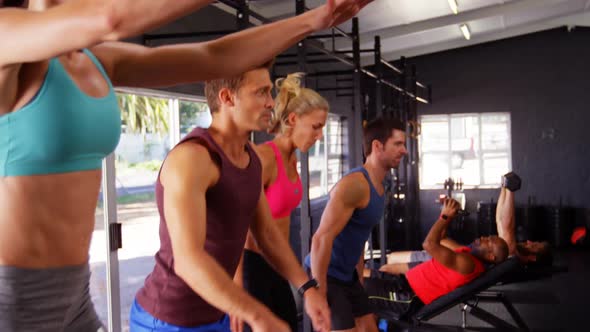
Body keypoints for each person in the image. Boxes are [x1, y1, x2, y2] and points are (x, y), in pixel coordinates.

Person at [0, 0, 371, 330]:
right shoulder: (7, 41)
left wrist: (314, 19)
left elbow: (214, 58)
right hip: (11, 300)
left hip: (75, 292)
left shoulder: (94, 59)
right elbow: (109, 15)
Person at [131, 65, 333, 332]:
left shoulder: (249, 156)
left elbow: (267, 234)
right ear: (227, 98)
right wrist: (258, 315)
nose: (271, 102)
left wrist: (307, 288)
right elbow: (188, 260)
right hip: (169, 318)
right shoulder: (193, 158)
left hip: (215, 315)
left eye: (269, 92)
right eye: (261, 93)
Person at [230, 73, 329, 332]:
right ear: (294, 120)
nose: (319, 136)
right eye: (316, 126)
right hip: (253, 269)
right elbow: (236, 224)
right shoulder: (264, 159)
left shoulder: (292, 161)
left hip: (278, 265)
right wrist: (236, 286)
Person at [306, 117, 408, 332]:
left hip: (348, 277)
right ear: (377, 146)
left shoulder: (380, 186)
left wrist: (359, 278)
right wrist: (319, 292)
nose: (404, 150)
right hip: (326, 275)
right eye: (398, 144)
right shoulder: (355, 185)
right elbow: (321, 238)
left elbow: (358, 236)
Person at [364, 198, 509, 321]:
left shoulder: (468, 264)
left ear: (491, 256)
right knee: (360, 275)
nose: (484, 238)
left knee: (354, 291)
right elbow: (442, 239)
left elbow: (429, 244)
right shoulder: (467, 254)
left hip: (408, 296)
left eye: (489, 241)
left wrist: (444, 217)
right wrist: (447, 215)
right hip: (403, 282)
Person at [380, 177, 551, 275]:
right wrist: (504, 187)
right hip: (441, 253)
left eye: (534, 246)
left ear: (533, 258)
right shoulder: (503, 252)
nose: (529, 241)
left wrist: (511, 191)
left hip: (439, 262)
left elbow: (506, 226)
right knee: (390, 258)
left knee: (384, 269)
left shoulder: (511, 255)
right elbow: (499, 221)